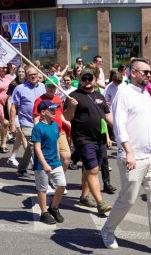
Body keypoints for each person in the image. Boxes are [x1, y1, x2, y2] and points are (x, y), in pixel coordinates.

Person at [102, 58, 151, 255]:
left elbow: (149, 121)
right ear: (133, 73)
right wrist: (128, 152)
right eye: (144, 72)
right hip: (133, 156)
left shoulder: (146, 94)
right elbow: (119, 125)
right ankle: (108, 230)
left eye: (149, 72)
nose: (149, 75)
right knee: (127, 199)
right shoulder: (124, 93)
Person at [64, 67, 114, 215]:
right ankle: (100, 203)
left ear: (94, 79)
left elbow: (107, 116)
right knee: (92, 170)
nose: (87, 81)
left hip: (99, 138)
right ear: (80, 80)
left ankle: (84, 197)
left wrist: (118, 129)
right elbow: (67, 117)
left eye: (89, 78)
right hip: (83, 139)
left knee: (90, 168)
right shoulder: (73, 96)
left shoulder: (100, 96)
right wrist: (71, 107)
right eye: (84, 78)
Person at [31, 100, 67, 225]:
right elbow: (37, 148)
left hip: (55, 162)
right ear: (42, 112)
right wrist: (44, 164)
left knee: (62, 185)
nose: (54, 111)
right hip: (41, 164)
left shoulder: (55, 125)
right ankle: (44, 213)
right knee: (43, 189)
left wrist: (58, 158)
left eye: (55, 109)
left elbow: (56, 142)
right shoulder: (38, 128)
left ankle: (54, 206)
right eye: (51, 109)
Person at [10, 66, 46, 177]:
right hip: (26, 122)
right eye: (31, 75)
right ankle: (40, 171)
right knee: (33, 145)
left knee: (32, 146)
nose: (33, 76)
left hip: (42, 121)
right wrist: (12, 124)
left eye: (35, 74)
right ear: (26, 76)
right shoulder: (20, 88)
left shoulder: (43, 87)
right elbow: (13, 107)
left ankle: (22, 168)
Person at [32, 76, 71, 172]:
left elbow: (60, 115)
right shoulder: (39, 100)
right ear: (45, 87)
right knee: (51, 158)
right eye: (48, 86)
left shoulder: (59, 99)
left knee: (66, 157)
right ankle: (50, 178)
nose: (50, 89)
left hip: (59, 131)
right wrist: (39, 132)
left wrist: (68, 123)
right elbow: (36, 117)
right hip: (46, 133)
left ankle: (59, 178)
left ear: (57, 87)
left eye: (53, 86)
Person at [6, 65, 26, 168]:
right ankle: (32, 160)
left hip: (26, 115)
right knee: (24, 137)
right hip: (16, 114)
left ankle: (12, 158)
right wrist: (11, 118)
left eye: (23, 71)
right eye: (19, 71)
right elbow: (9, 101)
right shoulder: (14, 84)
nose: (21, 73)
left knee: (19, 137)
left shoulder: (29, 83)